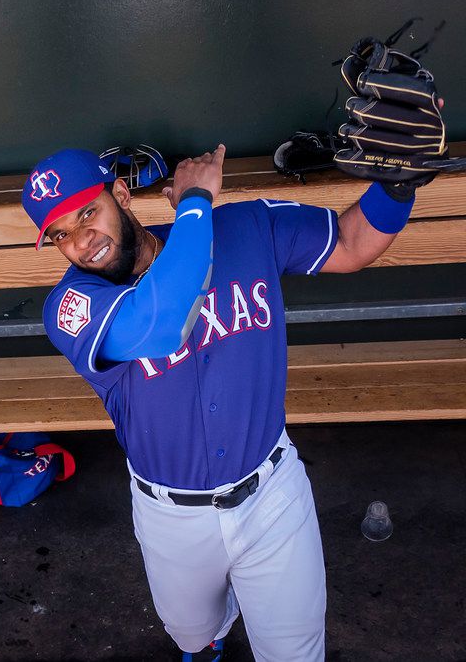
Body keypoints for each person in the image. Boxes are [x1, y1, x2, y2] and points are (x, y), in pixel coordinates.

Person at [22, 143, 428, 661]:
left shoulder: (245, 227)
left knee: (295, 652)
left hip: (272, 494)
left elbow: (351, 243)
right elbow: (163, 321)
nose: (82, 242)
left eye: (87, 214)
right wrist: (195, 204)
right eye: (60, 235)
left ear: (120, 195)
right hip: (171, 513)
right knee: (192, 633)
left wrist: (398, 185)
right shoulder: (70, 306)